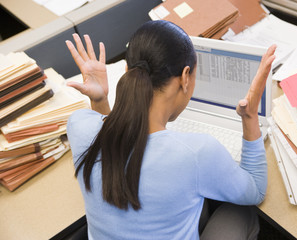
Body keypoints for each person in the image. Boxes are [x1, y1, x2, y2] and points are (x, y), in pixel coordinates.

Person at [65, 20, 276, 240]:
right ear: (185, 77)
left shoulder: (79, 126)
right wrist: (250, 116)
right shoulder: (195, 153)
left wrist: (99, 99)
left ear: (126, 70)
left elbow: (106, 132)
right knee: (242, 211)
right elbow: (256, 190)